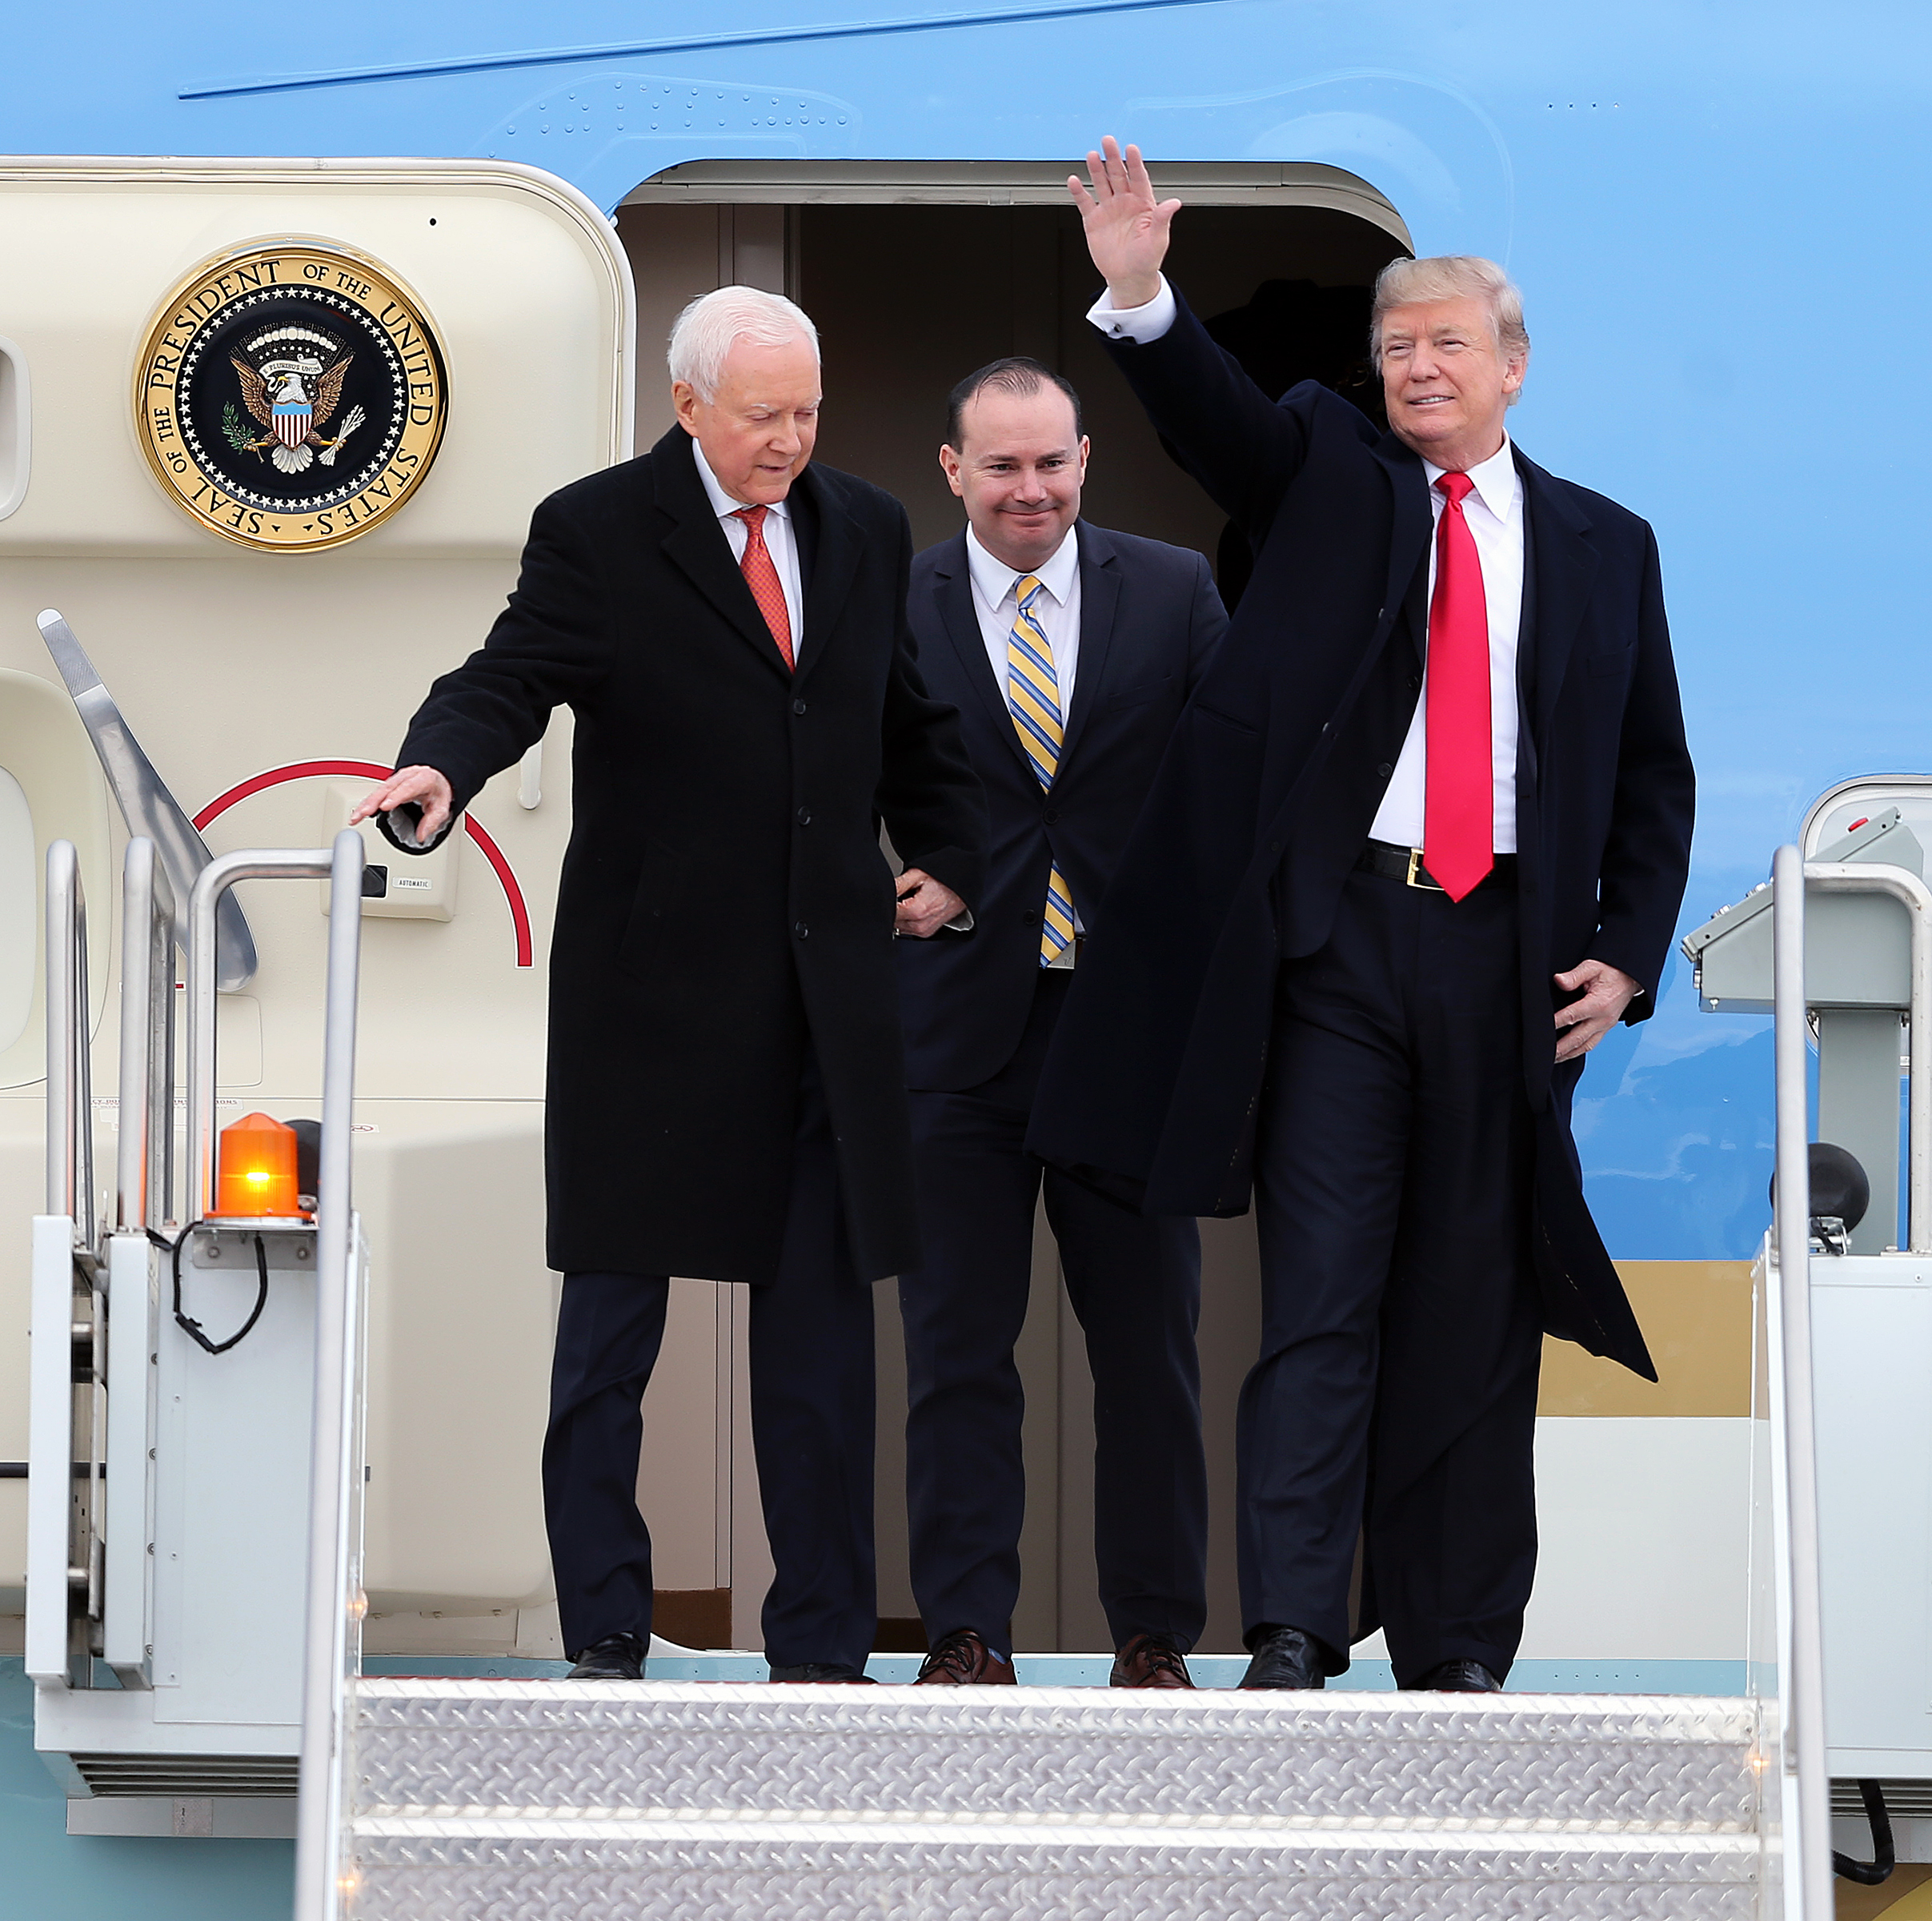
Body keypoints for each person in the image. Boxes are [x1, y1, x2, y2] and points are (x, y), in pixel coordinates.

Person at [1032, 140, 1694, 1693]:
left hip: (1511, 960)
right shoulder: (1331, 471)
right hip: (1339, 951)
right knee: (1320, 1297)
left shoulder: (1605, 545)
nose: (1414, 366)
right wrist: (1139, 294)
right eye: (1395, 345)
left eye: (1445, 342)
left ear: (1512, 366)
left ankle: (1458, 1644)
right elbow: (1217, 427)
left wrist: (1631, 957)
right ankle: (1291, 1628)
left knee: (1473, 1310)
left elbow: (1655, 775)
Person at [351, 286, 987, 1684]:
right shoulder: (598, 529)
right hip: (654, 998)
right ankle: (604, 1627)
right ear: (687, 402)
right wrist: (438, 771)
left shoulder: (865, 526)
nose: (790, 440)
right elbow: (508, 676)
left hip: (826, 996)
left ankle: (820, 1645)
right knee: (610, 1340)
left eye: (808, 411)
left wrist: (950, 857)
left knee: (821, 1343)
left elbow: (907, 723)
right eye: (763, 415)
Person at [893, 358, 1227, 1689]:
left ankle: (1153, 1636)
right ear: (952, 469)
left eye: (1051, 464)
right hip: (953, 1030)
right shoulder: (890, 598)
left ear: (1084, 458)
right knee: (955, 1351)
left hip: (1124, 1030)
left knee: (1147, 1355)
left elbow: (1227, 783)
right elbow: (814, 772)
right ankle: (965, 1634)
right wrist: (879, 886)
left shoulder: (1177, 590)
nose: (1028, 490)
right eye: (1000, 466)